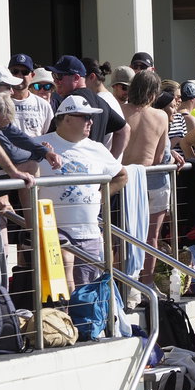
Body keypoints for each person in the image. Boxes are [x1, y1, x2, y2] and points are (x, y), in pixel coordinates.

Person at [34, 95, 128, 290]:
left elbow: (122, 176)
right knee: (59, 294)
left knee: (87, 296)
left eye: (91, 117)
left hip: (90, 234)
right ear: (67, 118)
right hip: (53, 233)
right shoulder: (38, 145)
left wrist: (99, 197)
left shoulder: (97, 148)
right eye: (85, 117)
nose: (91, 122)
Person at [120, 70, 175, 288]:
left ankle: (122, 284)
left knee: (121, 237)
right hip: (152, 178)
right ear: (154, 93)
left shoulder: (119, 111)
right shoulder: (161, 116)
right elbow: (161, 156)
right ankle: (147, 284)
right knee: (151, 237)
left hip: (124, 179)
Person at [45, 55, 130, 158]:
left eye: (59, 76)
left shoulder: (71, 101)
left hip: (75, 168)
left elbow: (49, 138)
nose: (55, 81)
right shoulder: (100, 101)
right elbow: (124, 130)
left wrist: (111, 162)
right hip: (92, 168)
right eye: (54, 76)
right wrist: (110, 162)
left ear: (76, 78)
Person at [8, 54, 54, 137]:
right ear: (8, 74)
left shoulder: (43, 105)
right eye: (15, 71)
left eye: (24, 72)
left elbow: (50, 136)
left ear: (32, 76)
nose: (19, 75)